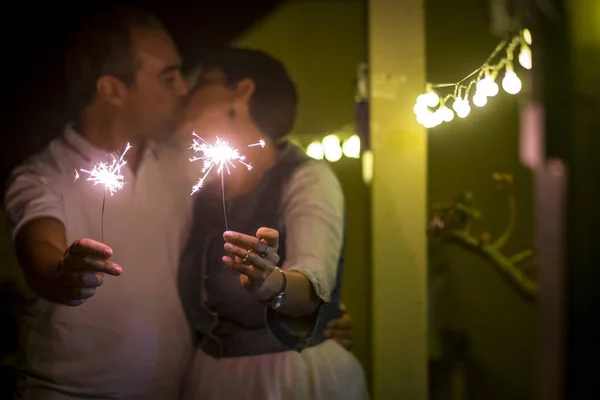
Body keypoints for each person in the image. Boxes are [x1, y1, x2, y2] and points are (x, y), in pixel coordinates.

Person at [3, 7, 352, 400]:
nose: (183, 90)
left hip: (179, 391)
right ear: (113, 89)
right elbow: (38, 246)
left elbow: (274, 189)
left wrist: (311, 312)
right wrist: (61, 275)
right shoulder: (41, 175)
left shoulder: (181, 162)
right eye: (168, 77)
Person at [178, 48, 368, 400]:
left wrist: (271, 283)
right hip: (211, 380)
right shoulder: (201, 190)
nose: (187, 91)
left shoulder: (306, 178)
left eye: (204, 81)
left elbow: (311, 287)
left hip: (288, 382)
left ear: (243, 90)